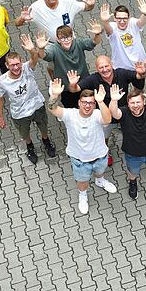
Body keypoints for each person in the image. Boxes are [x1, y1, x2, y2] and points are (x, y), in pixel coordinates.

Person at [46, 80, 117, 215]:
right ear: (79, 103)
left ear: (94, 104)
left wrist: (101, 102)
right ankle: (83, 194)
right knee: (82, 181)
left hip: (100, 155)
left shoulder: (97, 114)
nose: (87, 105)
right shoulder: (70, 114)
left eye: (91, 103)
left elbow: (107, 120)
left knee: (100, 171)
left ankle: (100, 181)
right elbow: (52, 109)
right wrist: (54, 96)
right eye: (84, 102)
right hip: (79, 159)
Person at [67, 55, 146, 166]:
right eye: (101, 67)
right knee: (104, 137)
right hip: (105, 117)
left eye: (106, 66)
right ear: (97, 69)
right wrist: (72, 84)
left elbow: (139, 76)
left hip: (123, 113)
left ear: (111, 65)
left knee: (132, 132)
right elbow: (75, 89)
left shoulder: (121, 73)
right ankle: (105, 152)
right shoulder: (93, 79)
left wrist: (142, 73)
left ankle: (135, 149)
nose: (104, 70)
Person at [15, 0, 96, 79]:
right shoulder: (36, 8)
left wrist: (91, 4)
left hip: (70, 41)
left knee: (76, 62)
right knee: (53, 66)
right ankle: (55, 81)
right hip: (51, 45)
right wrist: (22, 18)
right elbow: (17, 24)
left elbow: (87, 7)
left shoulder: (67, 2)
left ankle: (77, 80)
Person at [0, 48, 57, 164]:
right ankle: (30, 147)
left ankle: (46, 141)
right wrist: (0, 117)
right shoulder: (2, 81)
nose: (16, 67)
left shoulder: (27, 68)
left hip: (37, 106)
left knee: (43, 126)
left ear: (22, 62)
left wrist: (32, 50)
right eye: (12, 65)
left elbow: (35, 58)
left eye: (18, 64)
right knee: (24, 133)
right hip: (19, 113)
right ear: (6, 65)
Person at [109, 84, 146, 199]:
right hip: (132, 154)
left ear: (144, 102)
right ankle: (133, 182)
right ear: (128, 104)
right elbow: (114, 112)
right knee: (132, 171)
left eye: (138, 102)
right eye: (132, 103)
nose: (135, 105)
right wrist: (114, 100)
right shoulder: (124, 113)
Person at [35, 21, 103, 107]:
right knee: (72, 109)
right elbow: (44, 55)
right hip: (66, 88)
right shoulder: (54, 48)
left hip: (84, 83)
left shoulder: (78, 42)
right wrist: (41, 48)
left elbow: (95, 42)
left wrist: (97, 34)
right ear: (57, 39)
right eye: (62, 38)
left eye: (68, 37)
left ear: (72, 36)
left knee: (90, 106)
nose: (66, 40)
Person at [99, 0, 146, 71]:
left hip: (139, 65)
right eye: (119, 19)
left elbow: (141, 22)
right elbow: (108, 30)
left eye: (125, 18)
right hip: (120, 67)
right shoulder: (112, 27)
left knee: (140, 82)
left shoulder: (132, 23)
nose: (122, 21)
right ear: (114, 18)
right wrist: (105, 21)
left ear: (129, 18)